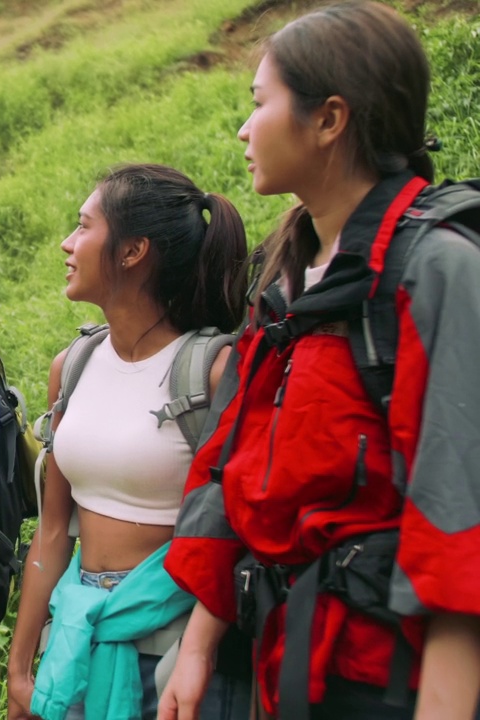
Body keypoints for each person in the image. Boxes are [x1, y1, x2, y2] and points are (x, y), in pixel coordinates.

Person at [161, 2, 480, 719]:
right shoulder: (286, 284)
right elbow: (234, 467)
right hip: (278, 660)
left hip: (385, 680)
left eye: (260, 103)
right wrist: (198, 649)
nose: (245, 129)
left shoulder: (435, 270)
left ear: (329, 119)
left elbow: (458, 516)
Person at [6, 163, 250, 720]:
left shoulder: (213, 372)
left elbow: (236, 527)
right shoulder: (73, 367)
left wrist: (200, 651)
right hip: (74, 636)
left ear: (133, 250)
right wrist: (21, 671)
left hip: (176, 646)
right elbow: (50, 536)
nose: (67, 244)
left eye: (83, 226)